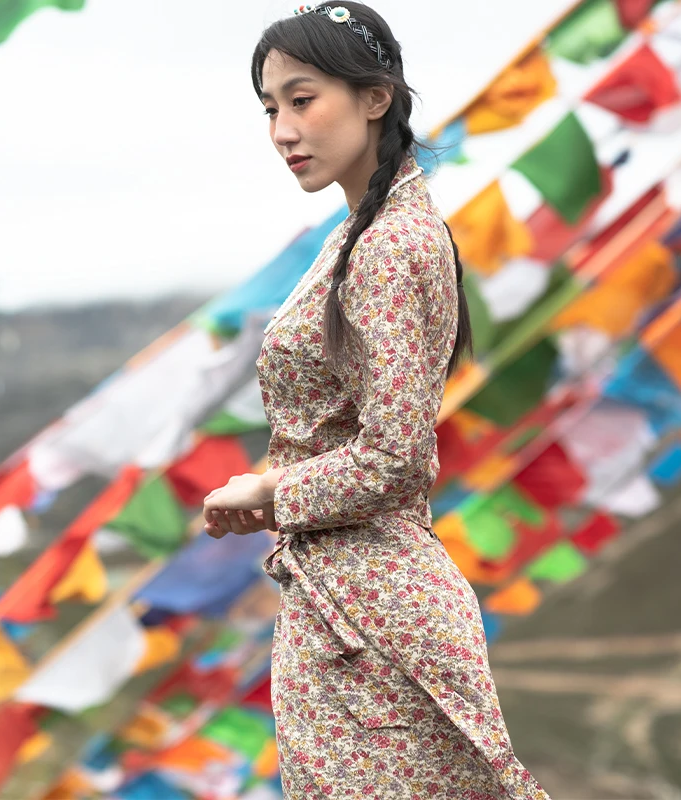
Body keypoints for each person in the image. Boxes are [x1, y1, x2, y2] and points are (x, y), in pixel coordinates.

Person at [202, 3, 551, 797]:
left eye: (302, 98)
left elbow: (395, 459)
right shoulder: (362, 226)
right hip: (337, 595)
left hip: (377, 610)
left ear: (374, 98)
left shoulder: (391, 242)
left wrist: (271, 489)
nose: (283, 130)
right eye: (269, 109)